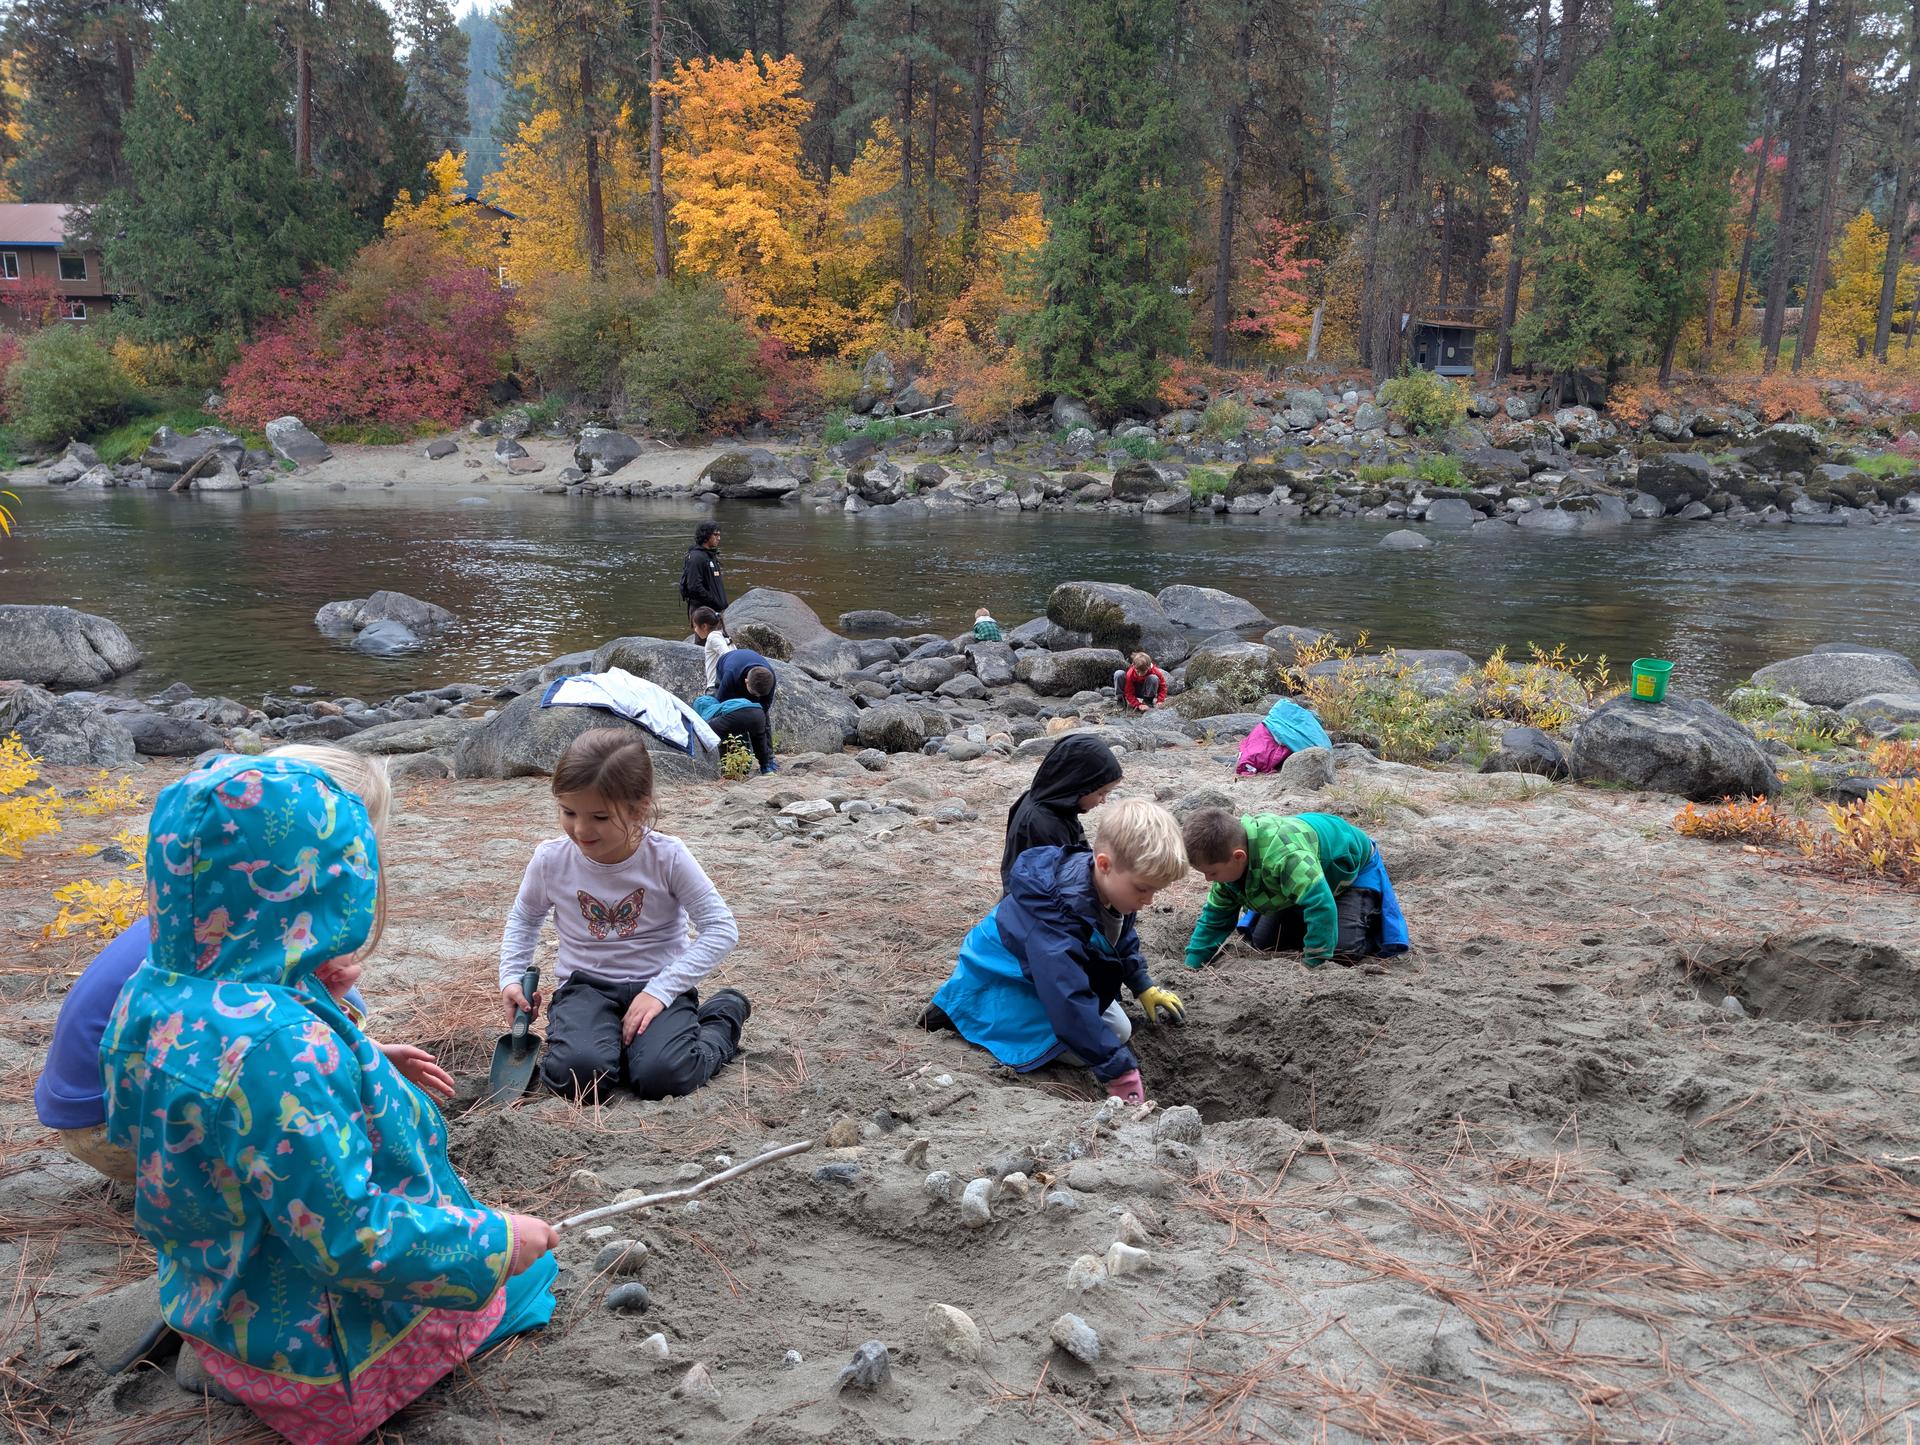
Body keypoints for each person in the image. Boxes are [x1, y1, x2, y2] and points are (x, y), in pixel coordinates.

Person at [100, 754, 558, 1444]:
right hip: (322, 1365)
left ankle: (218, 1358)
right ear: (328, 885)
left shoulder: (150, 994)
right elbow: (353, 1237)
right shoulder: (283, 1047)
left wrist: (366, 1057)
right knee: (533, 1268)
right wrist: (492, 1243)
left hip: (216, 1299)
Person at [34, 745, 446, 1185]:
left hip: (107, 1106)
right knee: (322, 1039)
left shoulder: (206, 906)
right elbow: (262, 1047)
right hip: (115, 1127)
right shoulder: (232, 951)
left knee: (344, 1002)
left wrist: (368, 1053)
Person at [500, 729, 750, 1100]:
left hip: (658, 984)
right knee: (579, 1078)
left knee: (662, 1076)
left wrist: (661, 991)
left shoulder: (667, 857)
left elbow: (720, 928)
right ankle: (612, 1043)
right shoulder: (551, 860)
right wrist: (511, 977)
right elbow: (524, 918)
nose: (581, 830)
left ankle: (721, 1016)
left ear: (639, 809)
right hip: (585, 987)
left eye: (599, 817)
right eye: (568, 812)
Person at [921, 799, 1188, 1105]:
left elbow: (1120, 938)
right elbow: (1068, 999)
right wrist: (1119, 1072)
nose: (1150, 900)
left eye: (1156, 890)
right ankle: (960, 1008)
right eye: (1143, 889)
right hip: (1003, 971)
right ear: (1103, 864)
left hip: (1047, 969)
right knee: (1105, 1037)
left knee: (1118, 1029)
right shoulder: (1059, 921)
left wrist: (1142, 984)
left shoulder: (1116, 890)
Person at [1181, 808, 1409, 970]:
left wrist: (1313, 963)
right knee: (1264, 943)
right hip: (1303, 875)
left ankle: (1367, 925)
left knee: (1341, 953)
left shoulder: (1287, 858)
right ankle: (1319, 923)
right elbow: (1215, 919)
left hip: (1349, 870)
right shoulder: (1228, 868)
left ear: (1238, 857)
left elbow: (1321, 904)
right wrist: (1192, 965)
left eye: (1211, 873)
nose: (1208, 880)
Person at [1000, 733, 1123, 885]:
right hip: (1035, 903)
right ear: (1079, 785)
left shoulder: (1052, 804)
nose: (1103, 800)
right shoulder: (1043, 824)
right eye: (1100, 793)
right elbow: (1059, 884)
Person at [1236, 699, 1332, 776]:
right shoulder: (1301, 718)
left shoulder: (1304, 718)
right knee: (1258, 747)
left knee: (1256, 749)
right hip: (1270, 729)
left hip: (1271, 731)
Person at [693, 692, 776, 775]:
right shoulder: (724, 705)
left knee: (710, 737)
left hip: (735, 714)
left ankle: (730, 770)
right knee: (759, 740)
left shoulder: (706, 713)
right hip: (757, 711)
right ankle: (766, 767)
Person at [678, 522, 727, 620]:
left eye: (719, 535)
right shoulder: (697, 558)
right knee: (704, 636)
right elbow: (694, 587)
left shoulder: (710, 555)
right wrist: (713, 601)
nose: (719, 538)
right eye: (715, 535)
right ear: (705, 536)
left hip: (713, 610)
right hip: (703, 612)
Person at [714, 646, 778, 711]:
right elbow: (720, 703)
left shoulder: (770, 679)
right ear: (746, 681)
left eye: (760, 695)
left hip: (745, 662)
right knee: (729, 705)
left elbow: (766, 704)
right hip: (726, 662)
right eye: (755, 694)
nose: (758, 696)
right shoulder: (730, 675)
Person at [691, 605, 735, 691]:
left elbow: (727, 655)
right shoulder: (722, 635)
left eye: (695, 626)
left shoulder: (712, 637)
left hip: (715, 687)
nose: (695, 630)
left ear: (704, 626)